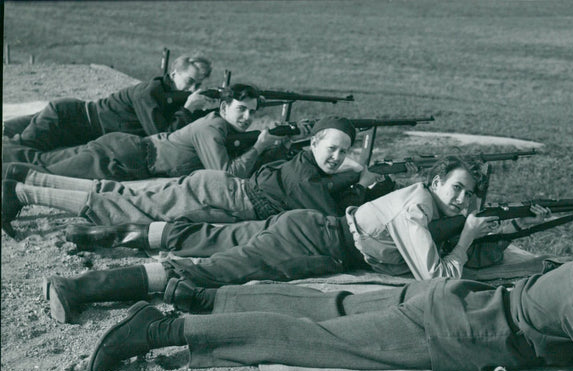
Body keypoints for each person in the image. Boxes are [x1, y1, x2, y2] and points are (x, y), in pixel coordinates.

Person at [86, 196, 573, 371]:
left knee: (331, 307)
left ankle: (206, 303)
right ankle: (164, 329)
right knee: (319, 340)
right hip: (458, 333)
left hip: (457, 305)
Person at [40, 155, 536, 324]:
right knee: (215, 269)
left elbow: (441, 233)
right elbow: (434, 277)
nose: (464, 201)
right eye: (458, 189)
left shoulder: (424, 201)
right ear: (435, 181)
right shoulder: (416, 210)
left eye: (472, 196)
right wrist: (468, 240)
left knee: (207, 237)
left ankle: (95, 233)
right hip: (316, 243)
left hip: (309, 226)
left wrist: (473, 228)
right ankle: (82, 287)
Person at [1, 117, 385, 239]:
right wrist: (366, 185)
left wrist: (351, 178)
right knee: (123, 207)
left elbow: (324, 187)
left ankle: (31, 179)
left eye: (344, 151)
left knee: (120, 192)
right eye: (331, 148)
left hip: (215, 187)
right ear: (315, 141)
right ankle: (21, 192)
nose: (337, 157)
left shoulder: (306, 163)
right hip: (218, 197)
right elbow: (328, 221)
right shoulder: (306, 175)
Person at [2, 84, 287, 180]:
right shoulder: (211, 128)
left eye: (252, 112)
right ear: (224, 106)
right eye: (241, 110)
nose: (248, 117)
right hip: (126, 158)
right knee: (46, 175)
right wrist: (260, 146)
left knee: (42, 162)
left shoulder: (214, 121)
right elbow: (226, 174)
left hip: (124, 148)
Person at [2, 52, 214, 157]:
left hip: (75, 121)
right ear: (174, 73)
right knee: (19, 151)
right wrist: (188, 109)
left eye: (199, 85)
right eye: (189, 82)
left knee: (12, 135)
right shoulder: (149, 92)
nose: (193, 90)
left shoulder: (167, 93)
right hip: (67, 120)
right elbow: (160, 136)